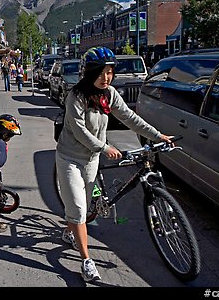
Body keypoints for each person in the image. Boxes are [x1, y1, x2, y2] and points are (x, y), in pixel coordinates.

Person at [55, 46, 173, 283]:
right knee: (78, 209)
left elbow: (129, 117)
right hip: (70, 158)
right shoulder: (76, 96)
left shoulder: (109, 94)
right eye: (100, 73)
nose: (106, 78)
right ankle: (86, 261)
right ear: (88, 73)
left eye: (109, 72)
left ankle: (70, 230)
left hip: (91, 161)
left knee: (83, 211)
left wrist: (157, 135)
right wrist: (104, 147)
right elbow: (78, 130)